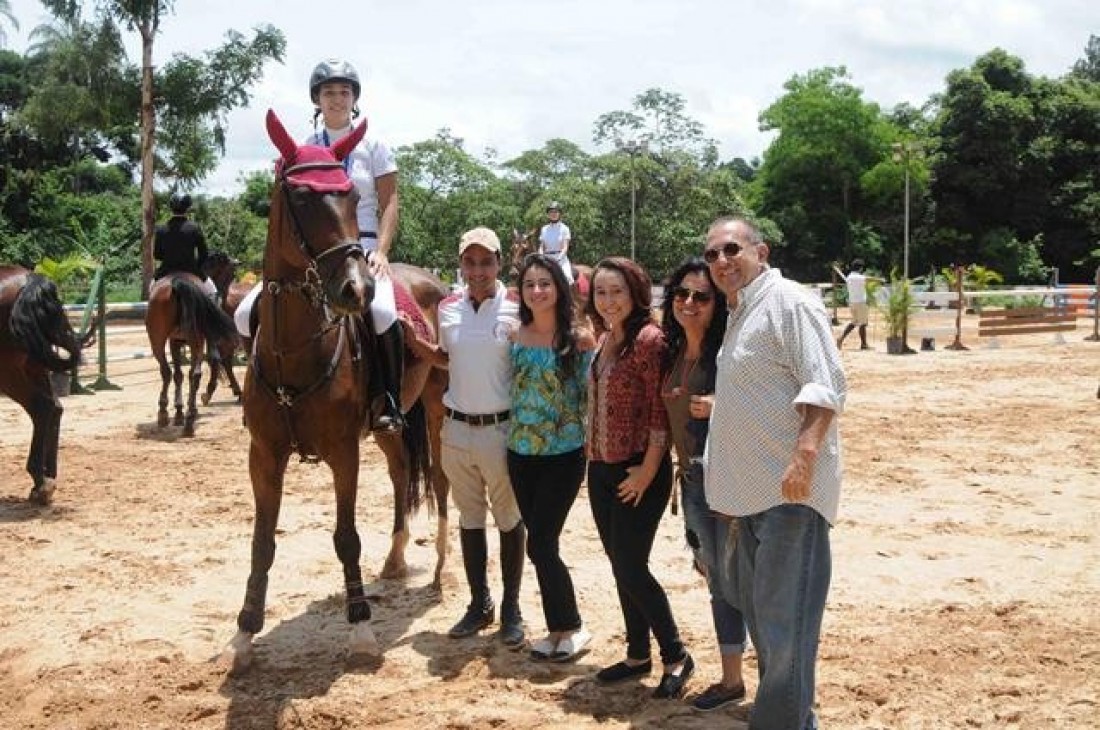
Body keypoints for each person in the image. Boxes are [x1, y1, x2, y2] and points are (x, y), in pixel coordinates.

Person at [702, 216, 847, 730]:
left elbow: (826, 384)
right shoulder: (742, 310)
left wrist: (804, 456)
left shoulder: (789, 302)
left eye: (732, 249)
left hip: (789, 495)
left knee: (785, 629)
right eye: (712, 254)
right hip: (751, 494)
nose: (721, 261)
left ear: (760, 252)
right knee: (767, 625)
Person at [235, 58, 405, 432]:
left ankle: (388, 400)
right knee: (244, 313)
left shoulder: (374, 147)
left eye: (344, 92)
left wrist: (381, 250)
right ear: (317, 99)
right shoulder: (304, 149)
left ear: (354, 99)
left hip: (361, 248)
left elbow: (390, 201)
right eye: (329, 92)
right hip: (313, 256)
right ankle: (258, 395)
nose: (337, 99)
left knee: (383, 313)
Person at [411, 227, 527, 648]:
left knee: (509, 518)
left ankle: (511, 608)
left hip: (500, 429)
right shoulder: (447, 308)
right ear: (460, 265)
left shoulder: (517, 306)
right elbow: (448, 357)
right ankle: (480, 603)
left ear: (499, 263)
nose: (478, 271)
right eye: (470, 262)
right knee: (470, 518)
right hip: (456, 429)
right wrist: (417, 345)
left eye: (486, 262)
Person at [585, 256, 693, 699]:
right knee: (621, 566)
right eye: (601, 292)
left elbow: (658, 410)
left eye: (617, 292)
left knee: (631, 566)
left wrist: (648, 470)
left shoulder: (649, 340)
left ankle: (676, 655)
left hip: (637, 469)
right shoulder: (606, 337)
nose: (608, 300)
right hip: (601, 467)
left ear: (636, 293)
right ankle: (637, 653)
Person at [658, 257, 747, 712]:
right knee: (715, 578)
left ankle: (741, 679)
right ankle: (734, 678)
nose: (689, 303)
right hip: (691, 481)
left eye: (701, 296)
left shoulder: (728, 354)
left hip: (725, 479)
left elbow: (760, 400)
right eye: (681, 294)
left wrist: (719, 404)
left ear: (717, 304)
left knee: (735, 581)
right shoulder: (672, 353)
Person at [507, 253, 595, 663]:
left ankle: (572, 625)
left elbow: (591, 395)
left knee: (540, 543)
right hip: (520, 453)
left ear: (558, 288)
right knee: (543, 544)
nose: (537, 291)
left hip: (564, 454)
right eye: (529, 284)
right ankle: (558, 628)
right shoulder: (515, 335)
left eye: (544, 283)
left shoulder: (578, 338)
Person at [153, 193, 217, 298]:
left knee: (152, 289)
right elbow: (203, 254)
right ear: (187, 208)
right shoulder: (194, 228)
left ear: (171, 208)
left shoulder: (161, 229)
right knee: (212, 292)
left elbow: (157, 255)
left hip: (166, 270)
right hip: (191, 269)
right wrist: (196, 265)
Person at [834, 258, 874, 350]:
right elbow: (869, 279)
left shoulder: (849, 277)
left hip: (852, 302)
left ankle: (841, 338)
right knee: (863, 323)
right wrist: (881, 280)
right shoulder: (859, 277)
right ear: (860, 268)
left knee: (854, 322)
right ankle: (863, 344)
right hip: (860, 302)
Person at [538, 202, 574, 286]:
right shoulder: (544, 229)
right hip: (546, 259)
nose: (553, 214)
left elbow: (565, 247)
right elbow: (542, 246)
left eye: (555, 212)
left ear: (559, 213)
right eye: (551, 212)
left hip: (560, 259)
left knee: (568, 278)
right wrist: (540, 256)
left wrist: (558, 259)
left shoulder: (565, 228)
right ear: (548, 214)